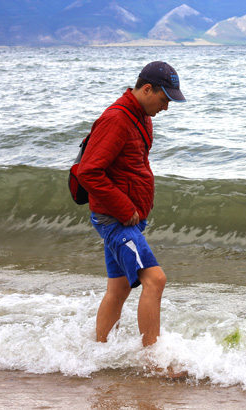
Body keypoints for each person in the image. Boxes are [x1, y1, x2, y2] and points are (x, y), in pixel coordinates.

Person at [78, 61, 185, 347]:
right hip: (115, 219)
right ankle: (154, 361)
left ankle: (97, 351)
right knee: (155, 280)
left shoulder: (141, 116)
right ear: (147, 89)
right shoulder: (117, 119)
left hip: (127, 219)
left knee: (119, 288)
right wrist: (126, 210)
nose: (166, 107)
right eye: (164, 99)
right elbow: (87, 171)